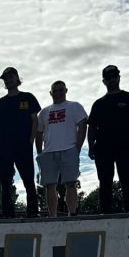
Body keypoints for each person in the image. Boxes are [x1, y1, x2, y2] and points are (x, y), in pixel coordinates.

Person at [87, 64, 129, 213]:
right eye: (108, 78)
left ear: (119, 77)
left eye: (114, 76)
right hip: (103, 147)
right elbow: (92, 127)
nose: (112, 80)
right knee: (105, 182)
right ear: (104, 81)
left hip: (126, 145)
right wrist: (90, 147)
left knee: (127, 180)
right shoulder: (99, 103)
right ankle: (106, 215)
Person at [0, 67, 40, 219]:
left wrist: (31, 140)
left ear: (17, 78)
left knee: (28, 180)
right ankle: (7, 214)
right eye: (6, 78)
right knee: (5, 181)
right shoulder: (0, 103)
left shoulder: (28, 97)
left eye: (11, 76)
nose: (9, 80)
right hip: (4, 146)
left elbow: (35, 120)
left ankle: (32, 212)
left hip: (23, 145)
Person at [36, 80, 87, 218]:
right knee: (49, 185)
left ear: (66, 90)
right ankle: (52, 216)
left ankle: (72, 213)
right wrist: (40, 151)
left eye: (61, 90)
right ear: (51, 93)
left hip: (69, 149)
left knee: (71, 183)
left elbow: (83, 125)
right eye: (55, 90)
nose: (58, 92)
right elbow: (38, 132)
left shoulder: (74, 106)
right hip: (49, 151)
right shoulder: (44, 112)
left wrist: (78, 147)